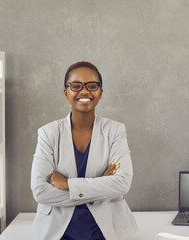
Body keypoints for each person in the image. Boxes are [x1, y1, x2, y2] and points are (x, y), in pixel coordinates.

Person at [30, 61, 138, 240]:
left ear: (100, 92)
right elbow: (40, 191)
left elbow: (122, 184)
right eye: (76, 86)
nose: (85, 91)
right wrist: (101, 184)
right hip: (57, 232)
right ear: (66, 92)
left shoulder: (115, 131)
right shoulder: (48, 133)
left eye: (92, 86)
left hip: (106, 231)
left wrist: (68, 185)